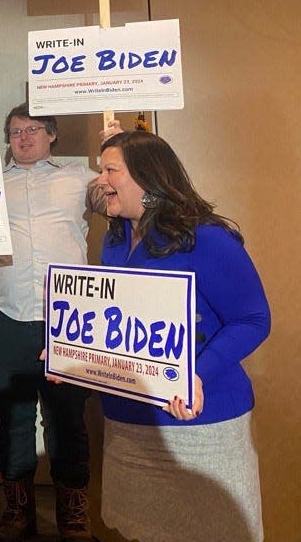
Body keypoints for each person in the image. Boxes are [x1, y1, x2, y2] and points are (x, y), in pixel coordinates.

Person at [95, 130, 270, 542]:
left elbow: (253, 319)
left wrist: (198, 372)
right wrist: (76, 357)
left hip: (201, 429)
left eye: (110, 170)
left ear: (147, 178)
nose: (100, 180)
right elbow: (117, 324)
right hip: (129, 427)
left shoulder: (206, 239)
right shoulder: (114, 241)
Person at [0, 105, 102, 542]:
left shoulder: (81, 177)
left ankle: (74, 517)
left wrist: (117, 145)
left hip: (68, 320)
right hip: (7, 314)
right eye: (14, 132)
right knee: (11, 417)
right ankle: (17, 513)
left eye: (32, 130)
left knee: (68, 419)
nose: (23, 138)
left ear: (52, 134)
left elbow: (126, 196)